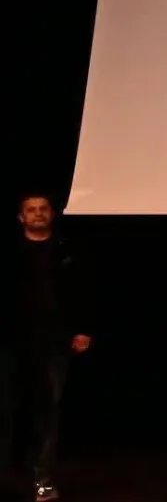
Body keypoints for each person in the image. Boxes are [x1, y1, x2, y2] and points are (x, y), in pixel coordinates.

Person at [1, 193, 95, 502]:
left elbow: (85, 291)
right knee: (5, 411)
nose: (38, 213)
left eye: (43, 209)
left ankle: (43, 480)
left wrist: (83, 329)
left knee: (47, 413)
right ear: (21, 217)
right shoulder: (9, 254)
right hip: (11, 343)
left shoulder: (67, 251)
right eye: (31, 210)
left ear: (52, 214)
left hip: (54, 344)